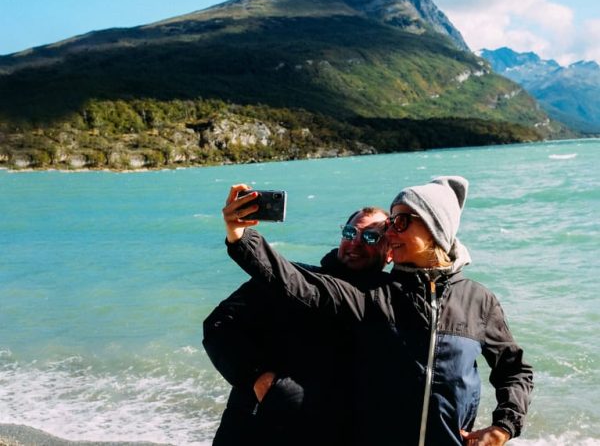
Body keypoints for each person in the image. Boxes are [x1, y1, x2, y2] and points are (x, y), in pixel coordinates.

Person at [222, 177, 534, 446]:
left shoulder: (479, 300)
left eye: (399, 222)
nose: (391, 233)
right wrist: (240, 237)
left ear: (435, 229)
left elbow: (514, 369)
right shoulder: (374, 295)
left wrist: (502, 427)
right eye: (389, 225)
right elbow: (296, 282)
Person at [204, 184, 392, 446]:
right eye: (350, 232)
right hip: (256, 428)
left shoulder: (391, 303)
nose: (355, 242)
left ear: (391, 251)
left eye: (370, 237)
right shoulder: (291, 280)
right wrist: (258, 378)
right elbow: (219, 324)